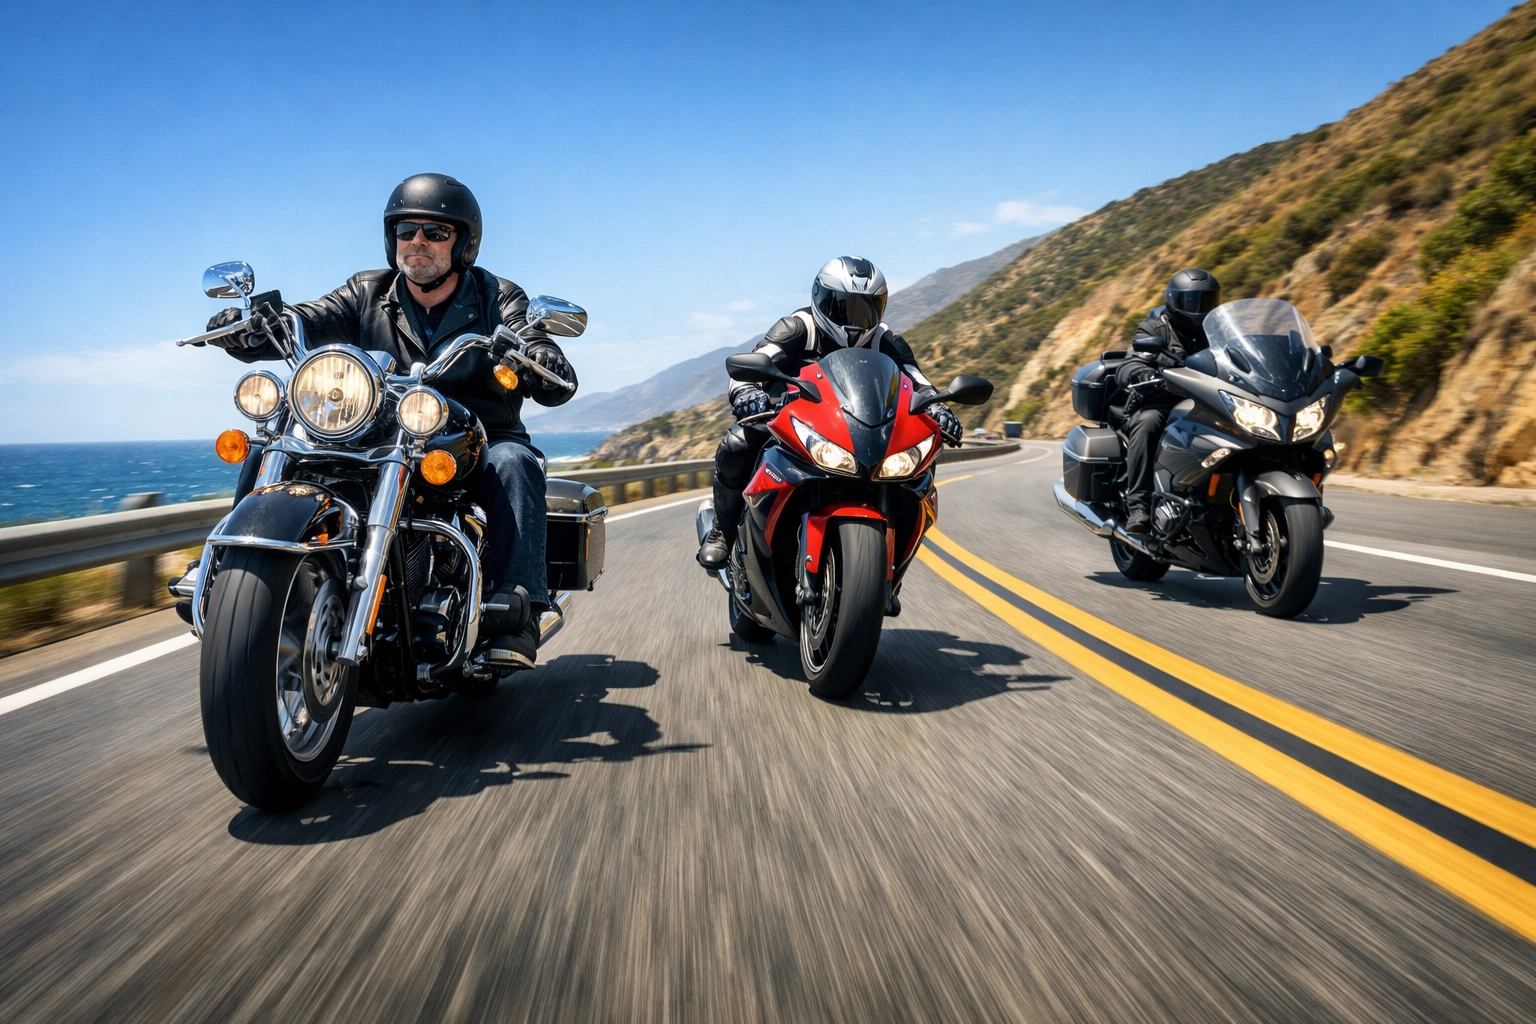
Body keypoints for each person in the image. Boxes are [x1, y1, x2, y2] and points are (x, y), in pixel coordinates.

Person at [203, 173, 577, 669]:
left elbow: (542, 352)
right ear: (391, 239)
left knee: (514, 463)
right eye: (406, 231)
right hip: (379, 433)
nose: (417, 242)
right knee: (272, 444)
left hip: (474, 438)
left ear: (463, 242)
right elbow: (308, 318)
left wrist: (537, 354)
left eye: (435, 232)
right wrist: (252, 326)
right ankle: (236, 571)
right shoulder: (366, 290)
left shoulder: (497, 296)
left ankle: (517, 607)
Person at [696, 256, 963, 571]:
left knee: (923, 455)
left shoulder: (885, 340)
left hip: (860, 430)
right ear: (821, 299)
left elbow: (918, 383)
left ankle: (893, 559)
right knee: (737, 444)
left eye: (866, 308)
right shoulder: (797, 328)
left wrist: (938, 408)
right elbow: (753, 363)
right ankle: (723, 532)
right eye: (842, 306)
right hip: (793, 423)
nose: (854, 318)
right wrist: (747, 393)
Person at [1115, 268, 1220, 535]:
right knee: (1147, 424)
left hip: (1211, 401)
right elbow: (1131, 362)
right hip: (1163, 400)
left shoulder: (1221, 331)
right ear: (1173, 301)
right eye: (1189, 301)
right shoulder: (1156, 327)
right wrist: (1143, 372)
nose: (1197, 308)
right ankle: (1138, 505)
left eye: (1205, 302)